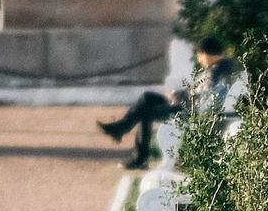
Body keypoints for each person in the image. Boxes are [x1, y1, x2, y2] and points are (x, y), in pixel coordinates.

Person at [98, 37, 245, 169]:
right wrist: (177, 95)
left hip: (190, 111)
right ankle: (120, 129)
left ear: (206, 54)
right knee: (148, 97)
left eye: (200, 56)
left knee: (147, 112)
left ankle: (139, 157)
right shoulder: (222, 67)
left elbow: (205, 100)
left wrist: (177, 98)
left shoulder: (218, 71)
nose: (199, 60)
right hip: (189, 104)